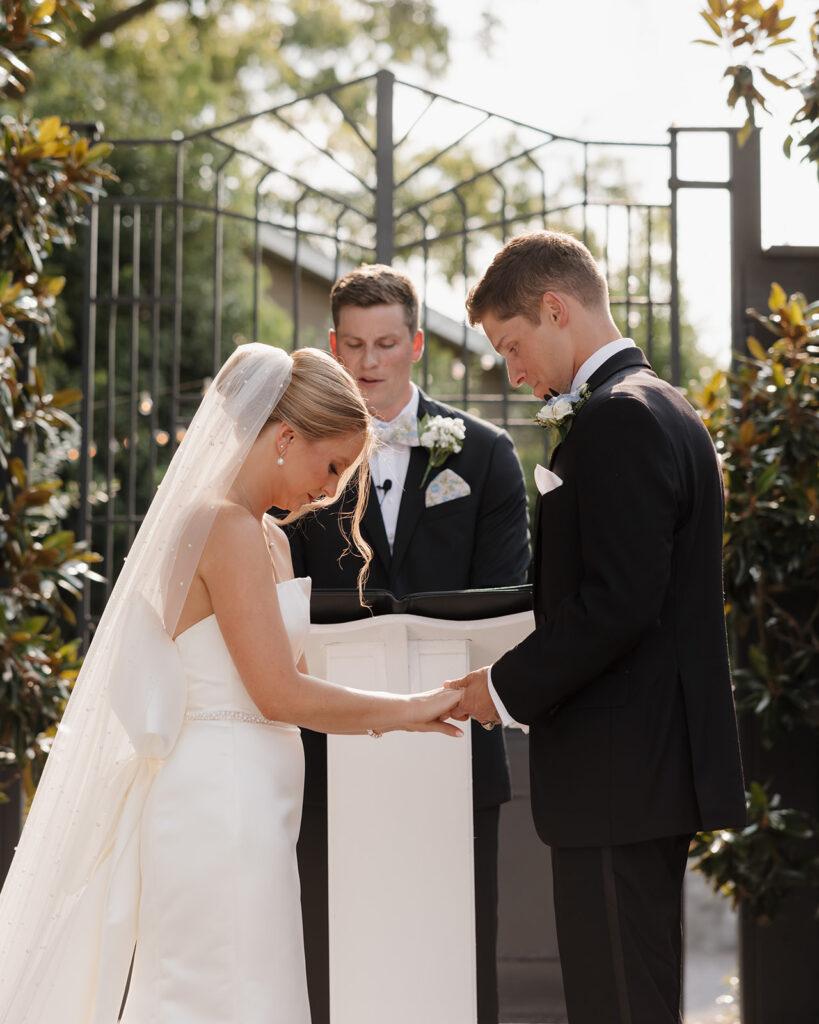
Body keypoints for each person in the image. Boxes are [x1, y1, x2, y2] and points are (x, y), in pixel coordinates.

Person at [0, 343, 462, 1024]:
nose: (332, 489)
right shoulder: (223, 526)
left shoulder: (267, 537)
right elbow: (280, 694)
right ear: (283, 436)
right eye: (331, 465)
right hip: (218, 803)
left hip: (253, 802)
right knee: (221, 991)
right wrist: (407, 709)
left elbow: (289, 677)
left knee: (248, 988)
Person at [447, 232, 746, 1024]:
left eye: (512, 345)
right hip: (640, 769)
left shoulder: (619, 419)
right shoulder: (659, 406)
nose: (511, 371)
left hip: (620, 770)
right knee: (632, 991)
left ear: (555, 309)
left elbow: (617, 602)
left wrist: (501, 686)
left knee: (616, 1000)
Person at [285, 264, 530, 1024]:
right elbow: (287, 600)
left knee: (455, 954)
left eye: (385, 343)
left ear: (416, 344)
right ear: (331, 345)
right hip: (329, 749)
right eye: (352, 345)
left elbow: (502, 595)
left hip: (454, 742)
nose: (368, 363)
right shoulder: (298, 460)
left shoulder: (484, 455)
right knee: (338, 955)